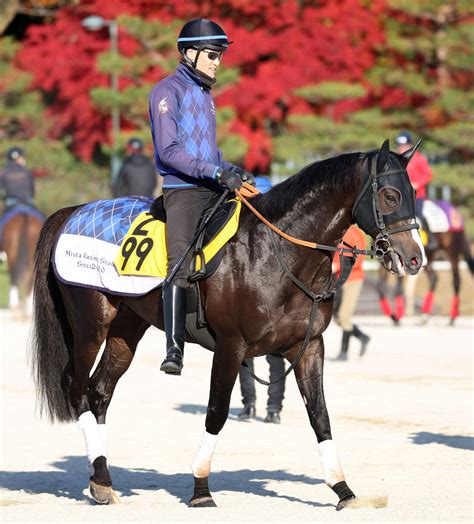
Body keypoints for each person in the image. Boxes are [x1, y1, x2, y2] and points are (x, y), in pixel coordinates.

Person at [149, 18, 255, 376]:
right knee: (178, 262)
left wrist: (231, 169)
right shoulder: (167, 91)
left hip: (212, 185)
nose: (217, 62)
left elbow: (208, 154)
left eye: (219, 55)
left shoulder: (206, 96)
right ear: (188, 52)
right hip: (182, 192)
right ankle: (174, 347)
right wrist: (214, 172)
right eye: (211, 54)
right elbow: (168, 152)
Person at [236, 175, 285, 424]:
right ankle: (267, 408)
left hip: (263, 298)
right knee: (253, 353)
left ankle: (260, 406)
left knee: (251, 352)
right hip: (261, 298)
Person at [332, 225, 370, 360]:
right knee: (336, 316)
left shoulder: (352, 233)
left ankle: (344, 352)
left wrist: (337, 266)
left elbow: (358, 257)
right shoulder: (339, 230)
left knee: (343, 316)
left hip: (352, 279)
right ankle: (362, 337)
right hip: (338, 278)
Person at [395, 131, 435, 249]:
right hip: (402, 197)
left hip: (418, 196)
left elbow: (428, 174)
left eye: (405, 146)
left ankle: (430, 238)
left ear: (410, 146)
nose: (402, 149)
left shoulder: (418, 158)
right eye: (400, 146)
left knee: (419, 215)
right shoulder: (396, 159)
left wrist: (417, 184)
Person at [0, 147, 35, 211]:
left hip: (10, 203)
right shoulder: (27, 172)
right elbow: (32, 191)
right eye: (22, 157)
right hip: (27, 201)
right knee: (43, 219)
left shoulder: (3, 172)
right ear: (18, 159)